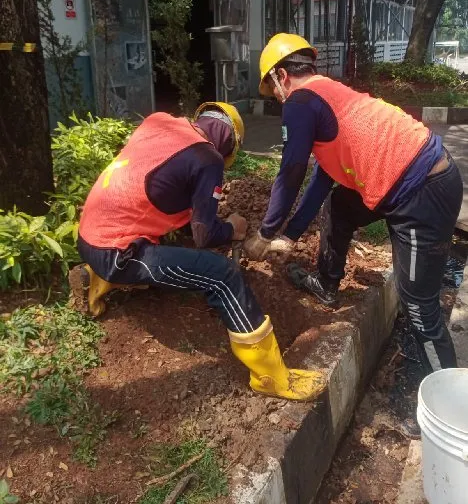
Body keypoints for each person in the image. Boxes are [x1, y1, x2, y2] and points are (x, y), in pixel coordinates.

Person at [70, 101, 325, 401]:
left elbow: (157, 187)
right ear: (229, 145)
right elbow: (203, 236)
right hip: (117, 251)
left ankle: (94, 278)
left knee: (169, 251)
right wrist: (232, 228)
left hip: (88, 235)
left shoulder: (158, 123)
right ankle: (271, 376)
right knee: (222, 274)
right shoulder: (208, 158)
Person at [245, 34, 463, 374]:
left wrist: (266, 231)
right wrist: (290, 235)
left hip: (423, 191)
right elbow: (321, 178)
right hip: (398, 181)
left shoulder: (300, 101)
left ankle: (449, 400)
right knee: (340, 205)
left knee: (419, 305)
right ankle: (327, 283)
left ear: (281, 76)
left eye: (272, 89)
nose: (275, 97)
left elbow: (290, 170)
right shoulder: (327, 93)